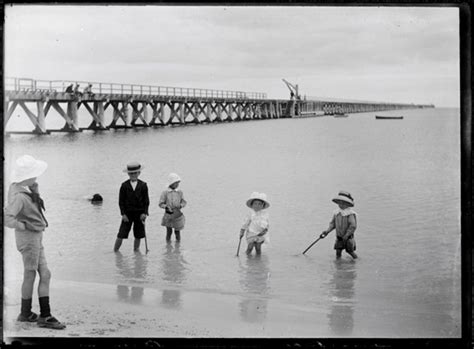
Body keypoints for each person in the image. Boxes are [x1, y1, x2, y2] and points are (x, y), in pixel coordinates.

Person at [4, 155, 66, 329]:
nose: (36, 177)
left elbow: (33, 208)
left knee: (43, 274)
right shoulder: (20, 196)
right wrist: (21, 225)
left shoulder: (20, 189)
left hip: (35, 236)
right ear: (26, 176)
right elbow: (7, 217)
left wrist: (35, 190)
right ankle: (42, 315)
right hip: (29, 237)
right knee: (32, 274)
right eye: (34, 174)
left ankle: (27, 313)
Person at [114, 162, 149, 252]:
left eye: (135, 173)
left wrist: (145, 213)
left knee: (138, 235)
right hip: (127, 214)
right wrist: (123, 214)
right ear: (128, 174)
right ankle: (115, 251)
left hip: (139, 214)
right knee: (121, 234)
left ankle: (136, 252)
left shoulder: (143, 185)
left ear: (139, 173)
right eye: (131, 173)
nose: (133, 175)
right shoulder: (124, 186)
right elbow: (121, 202)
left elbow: (146, 201)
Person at [320, 191, 358, 259]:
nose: (341, 204)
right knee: (338, 252)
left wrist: (347, 235)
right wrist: (327, 231)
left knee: (350, 251)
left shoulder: (350, 214)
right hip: (339, 237)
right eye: (340, 203)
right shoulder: (337, 213)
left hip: (348, 238)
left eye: (343, 203)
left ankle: (356, 262)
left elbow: (353, 226)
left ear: (348, 204)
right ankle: (338, 265)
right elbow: (333, 224)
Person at [159, 173, 187, 242]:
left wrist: (181, 205)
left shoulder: (180, 192)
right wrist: (166, 206)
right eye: (175, 183)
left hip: (177, 214)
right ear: (171, 183)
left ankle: (178, 247)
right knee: (169, 232)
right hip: (168, 215)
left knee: (177, 232)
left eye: (178, 183)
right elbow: (160, 203)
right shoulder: (165, 192)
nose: (177, 184)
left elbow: (184, 202)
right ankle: (168, 245)